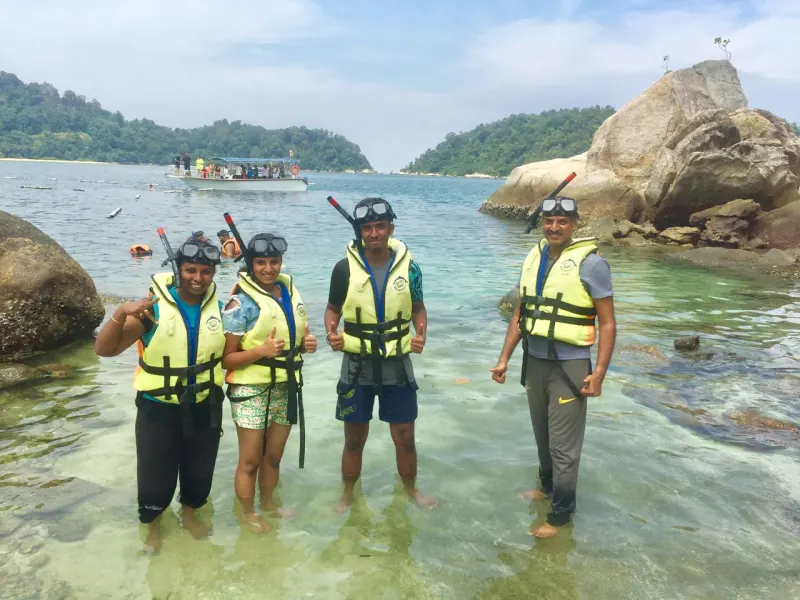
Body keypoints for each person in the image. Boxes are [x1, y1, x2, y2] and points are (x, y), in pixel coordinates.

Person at [490, 196, 617, 538]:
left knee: (564, 445)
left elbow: (607, 322)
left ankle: (561, 515)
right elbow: (521, 314)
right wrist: (503, 359)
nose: (554, 227)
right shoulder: (534, 258)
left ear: (575, 224)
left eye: (562, 221)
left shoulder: (592, 265)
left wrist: (599, 372)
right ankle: (546, 488)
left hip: (570, 365)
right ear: (542, 223)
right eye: (549, 221)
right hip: (535, 361)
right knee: (542, 434)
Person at [94, 238, 226, 553]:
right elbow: (105, 349)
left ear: (213, 273)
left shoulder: (222, 310)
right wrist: (121, 312)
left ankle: (190, 515)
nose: (198, 278)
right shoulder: (151, 310)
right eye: (190, 270)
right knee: (155, 476)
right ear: (178, 270)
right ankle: (153, 525)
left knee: (199, 472)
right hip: (158, 408)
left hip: (205, 405)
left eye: (205, 271)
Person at [324, 197, 435, 511]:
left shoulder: (410, 268)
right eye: (368, 228)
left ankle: (410, 490)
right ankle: (348, 494)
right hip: (356, 363)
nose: (374, 233)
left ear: (391, 229)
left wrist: (421, 333)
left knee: (405, 436)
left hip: (396, 362)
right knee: (354, 438)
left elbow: (418, 308)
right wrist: (331, 332)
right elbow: (332, 309)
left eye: (380, 226)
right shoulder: (343, 268)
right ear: (360, 232)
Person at [222, 233, 317, 532]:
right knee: (250, 460)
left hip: (286, 386)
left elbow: (293, 340)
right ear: (250, 264)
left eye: (274, 262)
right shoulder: (240, 303)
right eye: (261, 262)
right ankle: (247, 512)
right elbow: (227, 359)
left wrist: (307, 345)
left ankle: (269, 503)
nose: (268, 269)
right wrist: (260, 351)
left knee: (273, 457)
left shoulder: (287, 292)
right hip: (251, 389)